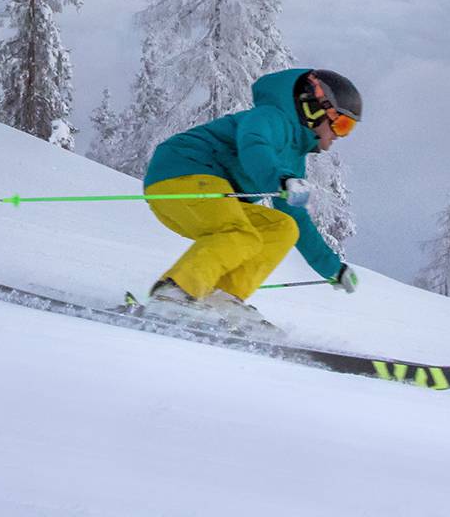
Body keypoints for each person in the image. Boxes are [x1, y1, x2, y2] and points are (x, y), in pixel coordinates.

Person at [139, 68, 362, 331]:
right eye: (341, 124)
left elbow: (296, 219)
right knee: (239, 232)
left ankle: (223, 298)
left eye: (349, 129)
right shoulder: (270, 117)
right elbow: (254, 144)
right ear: (314, 108)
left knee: (281, 227)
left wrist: (332, 268)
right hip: (182, 174)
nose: (340, 135)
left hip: (211, 197)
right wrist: (280, 179)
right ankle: (174, 292)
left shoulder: (294, 159)